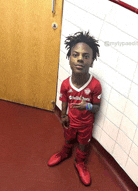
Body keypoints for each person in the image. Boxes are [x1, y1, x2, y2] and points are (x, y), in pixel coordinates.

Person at [48, 31, 102, 186]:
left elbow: (97, 108)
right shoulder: (65, 83)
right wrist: (63, 115)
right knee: (68, 138)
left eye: (86, 56)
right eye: (75, 55)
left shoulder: (95, 85)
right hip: (70, 121)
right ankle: (64, 153)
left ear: (91, 61)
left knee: (84, 143)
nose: (80, 59)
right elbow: (64, 100)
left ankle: (80, 163)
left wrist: (88, 106)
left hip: (86, 125)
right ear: (69, 59)